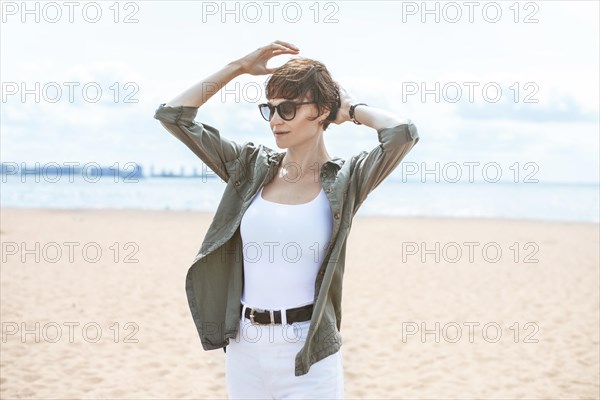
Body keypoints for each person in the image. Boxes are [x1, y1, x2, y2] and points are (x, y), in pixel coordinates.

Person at [153, 40, 420, 399]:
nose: (276, 120)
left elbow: (402, 133)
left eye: (289, 108)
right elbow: (174, 116)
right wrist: (238, 66)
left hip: (307, 354)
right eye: (271, 108)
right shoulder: (249, 167)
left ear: (323, 110)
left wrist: (352, 108)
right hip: (245, 348)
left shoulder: (347, 178)